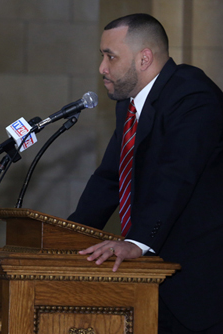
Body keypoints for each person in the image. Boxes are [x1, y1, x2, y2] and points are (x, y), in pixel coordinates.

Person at [68, 13, 223, 333]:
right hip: (155, 278)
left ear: (144, 58)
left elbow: (176, 175)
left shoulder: (193, 96)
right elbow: (110, 178)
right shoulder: (129, 104)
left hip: (200, 281)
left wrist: (136, 242)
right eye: (102, 56)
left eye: (110, 56)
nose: (102, 68)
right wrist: (71, 236)